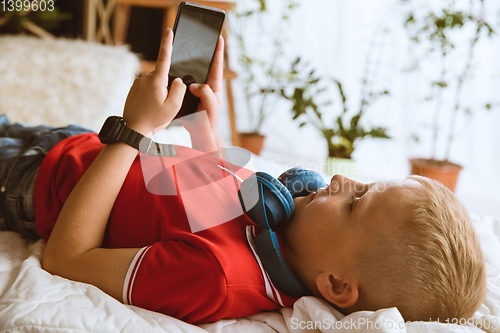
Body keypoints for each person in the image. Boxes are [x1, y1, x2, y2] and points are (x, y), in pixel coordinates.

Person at [0, 28, 486, 325]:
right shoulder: (274, 224)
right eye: (362, 183)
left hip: (32, 185)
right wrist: (202, 125)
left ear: (337, 285)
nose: (340, 183)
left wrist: (133, 132)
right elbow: (205, 203)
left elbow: (68, 257)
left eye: (356, 204)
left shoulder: (216, 279)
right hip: (71, 144)